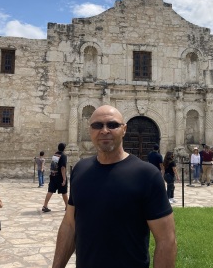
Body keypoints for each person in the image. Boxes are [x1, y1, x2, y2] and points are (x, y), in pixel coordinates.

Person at [52, 105, 176, 268]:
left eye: (112, 125)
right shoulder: (80, 170)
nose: (104, 130)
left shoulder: (147, 175)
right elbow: (69, 224)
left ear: (124, 129)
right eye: (97, 125)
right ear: (90, 130)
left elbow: (166, 240)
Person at [42, 143, 68, 212]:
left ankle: (45, 205)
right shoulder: (63, 156)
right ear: (64, 148)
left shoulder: (55, 154)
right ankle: (67, 206)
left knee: (50, 190)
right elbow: (63, 167)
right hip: (59, 176)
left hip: (53, 175)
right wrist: (64, 179)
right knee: (64, 191)